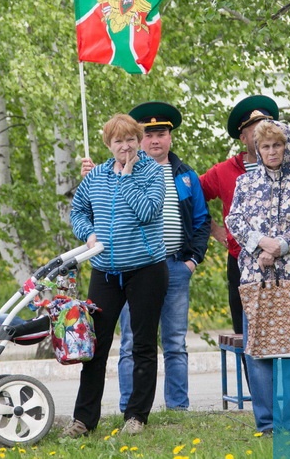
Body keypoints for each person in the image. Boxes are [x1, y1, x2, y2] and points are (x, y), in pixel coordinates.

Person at [63, 114, 166, 438]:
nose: (125, 146)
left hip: (146, 269)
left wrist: (128, 177)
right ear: (109, 144)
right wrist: (88, 233)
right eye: (118, 141)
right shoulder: (97, 176)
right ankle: (84, 419)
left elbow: (149, 210)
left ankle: (136, 416)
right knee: (94, 346)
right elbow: (78, 211)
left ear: (138, 141)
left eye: (130, 139)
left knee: (143, 344)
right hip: (105, 270)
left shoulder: (151, 171)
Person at [200, 94, 290, 337]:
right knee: (252, 338)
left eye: (269, 129)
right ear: (245, 138)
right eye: (255, 131)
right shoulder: (226, 172)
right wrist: (220, 234)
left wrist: (285, 242)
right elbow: (194, 199)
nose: (265, 136)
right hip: (245, 261)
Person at [226, 119, 290, 433]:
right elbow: (235, 221)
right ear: (258, 149)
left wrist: (279, 247)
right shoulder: (246, 182)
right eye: (265, 146)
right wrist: (261, 245)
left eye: (277, 145)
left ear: (288, 146)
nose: (271, 151)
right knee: (259, 352)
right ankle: (267, 424)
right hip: (257, 279)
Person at [116, 102, 210, 412]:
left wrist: (192, 261)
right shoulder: (126, 171)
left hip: (175, 266)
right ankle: (130, 408)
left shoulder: (185, 176)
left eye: (162, 134)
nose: (155, 140)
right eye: (149, 134)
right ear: (139, 138)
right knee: (131, 342)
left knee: (174, 343)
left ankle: (178, 408)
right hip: (136, 268)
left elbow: (201, 220)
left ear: (170, 137)